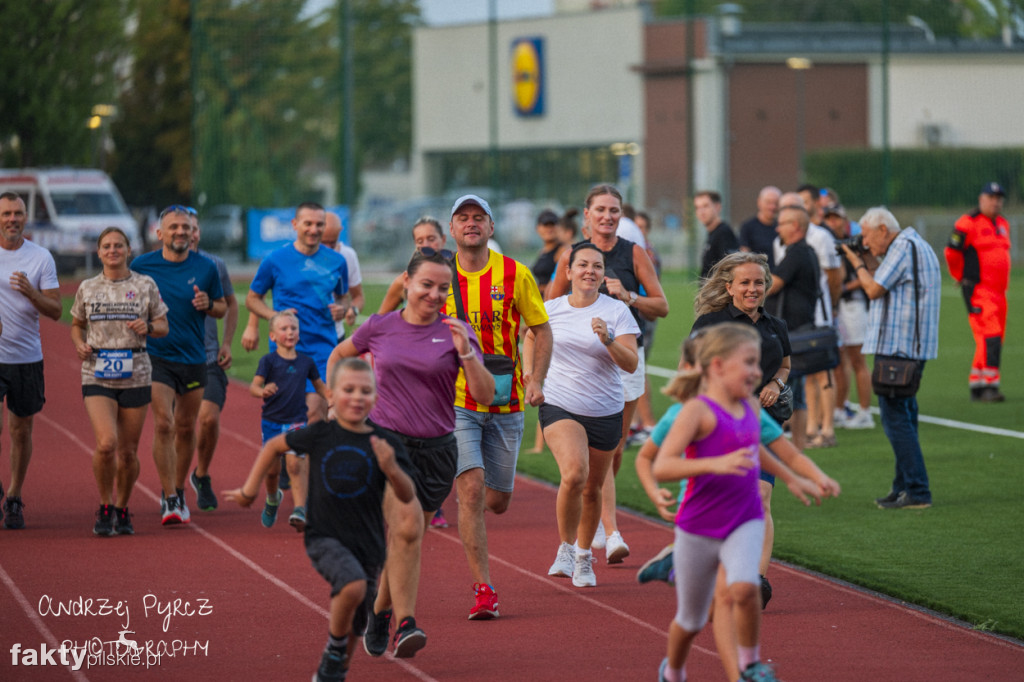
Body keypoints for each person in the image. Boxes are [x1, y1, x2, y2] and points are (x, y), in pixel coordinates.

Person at [637, 329, 838, 682]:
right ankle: (673, 670)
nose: (756, 372)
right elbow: (662, 466)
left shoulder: (750, 408)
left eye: (756, 364)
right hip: (698, 525)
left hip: (744, 519)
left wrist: (803, 476)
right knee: (691, 620)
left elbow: (775, 451)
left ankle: (750, 665)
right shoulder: (695, 412)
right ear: (717, 366)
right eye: (747, 363)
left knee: (745, 588)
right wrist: (713, 464)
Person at [327, 248, 494, 657]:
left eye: (443, 288)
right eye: (426, 285)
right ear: (406, 281)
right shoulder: (380, 327)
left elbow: (485, 394)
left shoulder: (457, 330)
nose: (434, 294)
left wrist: (467, 354)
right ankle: (406, 624)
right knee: (405, 530)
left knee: (407, 536)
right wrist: (336, 402)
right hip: (387, 443)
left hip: (438, 450)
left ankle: (380, 612)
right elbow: (339, 355)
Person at [224, 358, 417, 682]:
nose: (356, 397)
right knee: (352, 585)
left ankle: (335, 669)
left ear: (376, 398)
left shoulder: (385, 443)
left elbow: (408, 494)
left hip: (369, 542)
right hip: (325, 535)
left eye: (365, 391)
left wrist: (392, 469)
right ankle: (333, 648)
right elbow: (274, 445)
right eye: (348, 390)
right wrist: (249, 490)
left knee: (359, 620)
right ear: (332, 396)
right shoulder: (321, 434)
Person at [547, 183, 668, 564]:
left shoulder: (632, 252)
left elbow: (661, 306)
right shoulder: (571, 255)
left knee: (614, 447)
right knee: (589, 456)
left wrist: (627, 297)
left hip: (625, 355)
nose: (607, 216)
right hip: (575, 365)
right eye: (600, 209)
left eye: (614, 210)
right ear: (586, 215)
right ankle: (608, 528)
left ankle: (596, 507)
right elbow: (547, 307)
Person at [445, 193, 552, 618]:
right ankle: (483, 588)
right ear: (452, 229)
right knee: (470, 491)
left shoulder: (515, 274)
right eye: (462, 218)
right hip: (455, 401)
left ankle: (481, 498)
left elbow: (541, 329)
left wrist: (537, 380)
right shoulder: (438, 275)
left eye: (479, 217)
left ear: (491, 228)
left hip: (506, 402)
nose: (471, 224)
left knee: (497, 501)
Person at [529, 243, 638, 588]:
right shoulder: (550, 309)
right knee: (575, 473)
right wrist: (533, 377)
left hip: (606, 410)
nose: (589, 271)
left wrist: (608, 340)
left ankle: (583, 556)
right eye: (582, 265)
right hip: (560, 403)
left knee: (592, 490)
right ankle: (565, 547)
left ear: (604, 275)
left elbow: (631, 363)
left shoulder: (616, 311)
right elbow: (531, 337)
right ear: (569, 271)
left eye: (597, 266)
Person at [692, 252, 792, 599]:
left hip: (763, 426)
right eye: (745, 282)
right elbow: (689, 371)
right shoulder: (710, 323)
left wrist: (774, 385)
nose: (753, 289)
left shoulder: (775, 326)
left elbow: (785, 365)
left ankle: (755, 580)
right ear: (730, 286)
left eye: (758, 282)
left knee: (761, 497)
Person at [130, 205, 227, 525]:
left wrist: (208, 304)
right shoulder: (142, 265)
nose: (180, 232)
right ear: (160, 233)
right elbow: (127, 297)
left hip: (194, 358)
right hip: (156, 356)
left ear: (192, 231)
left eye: (185, 227)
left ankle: (178, 488)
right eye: (173, 227)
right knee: (164, 424)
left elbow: (222, 306)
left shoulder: (207, 267)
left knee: (186, 427)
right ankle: (169, 495)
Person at [71, 227, 169, 535]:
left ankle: (123, 507)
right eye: (107, 246)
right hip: (97, 369)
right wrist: (78, 343)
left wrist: (149, 325)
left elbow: (163, 326)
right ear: (98, 252)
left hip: (136, 370)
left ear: (128, 250)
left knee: (128, 452)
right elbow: (76, 325)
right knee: (107, 444)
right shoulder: (87, 287)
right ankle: (104, 504)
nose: (113, 250)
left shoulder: (144, 285)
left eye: (119, 246)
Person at [842, 207, 940, 510]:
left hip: (900, 348)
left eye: (868, 236)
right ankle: (902, 487)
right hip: (907, 347)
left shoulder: (903, 247)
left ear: (883, 229)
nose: (867, 243)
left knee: (895, 419)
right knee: (904, 417)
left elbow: (872, 289)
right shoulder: (911, 245)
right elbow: (881, 279)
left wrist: (856, 262)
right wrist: (867, 259)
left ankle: (918, 491)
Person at [242, 202, 349, 424]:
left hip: (323, 350)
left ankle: (307, 455)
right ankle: (289, 456)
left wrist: (342, 309)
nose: (313, 229)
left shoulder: (337, 262)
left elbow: (343, 298)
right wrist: (273, 317)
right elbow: (252, 298)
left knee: (316, 413)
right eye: (307, 223)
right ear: (295, 224)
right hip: (286, 352)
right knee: (289, 421)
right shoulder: (274, 260)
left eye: (319, 224)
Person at [0, 193, 64, 529]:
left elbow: (56, 311)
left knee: (21, 430)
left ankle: (14, 496)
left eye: (18, 213)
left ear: (26, 218)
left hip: (26, 357)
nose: (12, 219)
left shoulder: (40, 258)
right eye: (6, 213)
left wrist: (31, 293)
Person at [249, 312, 330, 530]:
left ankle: (300, 509)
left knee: (295, 464)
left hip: (297, 421)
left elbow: (320, 386)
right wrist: (262, 390)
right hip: (273, 422)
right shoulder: (268, 362)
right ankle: (273, 499)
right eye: (284, 329)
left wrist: (332, 400)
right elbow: (254, 386)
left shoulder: (306, 362)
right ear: (273, 336)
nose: (290, 332)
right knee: (273, 471)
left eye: (293, 328)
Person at [782, 189, 843, 449]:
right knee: (803, 373)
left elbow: (834, 274)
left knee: (822, 372)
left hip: (818, 313)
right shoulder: (785, 242)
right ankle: (809, 427)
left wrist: (832, 304)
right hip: (795, 318)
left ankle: (827, 427)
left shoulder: (820, 237)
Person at [189, 214, 239, 511]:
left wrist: (228, 342)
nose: (188, 234)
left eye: (192, 229)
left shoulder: (214, 265)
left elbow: (231, 304)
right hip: (168, 359)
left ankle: (201, 474)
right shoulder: (150, 267)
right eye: (180, 228)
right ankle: (172, 488)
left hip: (207, 358)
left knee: (207, 418)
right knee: (172, 426)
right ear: (162, 232)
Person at [945, 182, 1011, 402]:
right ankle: (990, 386)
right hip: (979, 289)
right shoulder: (967, 223)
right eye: (991, 197)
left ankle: (977, 383)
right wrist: (959, 276)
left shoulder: (1002, 223)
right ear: (981, 199)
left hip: (999, 292)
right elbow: (951, 252)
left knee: (991, 337)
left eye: (999, 198)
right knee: (990, 335)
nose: (996, 202)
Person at [765, 202, 818, 453]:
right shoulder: (806, 251)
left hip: (793, 332)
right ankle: (797, 449)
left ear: (796, 227)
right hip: (799, 328)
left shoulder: (797, 252)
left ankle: (790, 451)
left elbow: (774, 284)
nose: (778, 228)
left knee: (788, 392)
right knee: (797, 394)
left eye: (783, 223)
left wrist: (746, 290)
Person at [822, 203, 873, 429]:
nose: (832, 223)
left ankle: (864, 411)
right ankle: (840, 408)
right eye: (829, 219)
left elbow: (868, 273)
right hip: (836, 307)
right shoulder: (827, 244)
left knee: (857, 359)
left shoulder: (855, 244)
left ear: (844, 221)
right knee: (839, 362)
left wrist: (844, 286)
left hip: (852, 305)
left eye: (836, 219)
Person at [378, 217, 446, 314]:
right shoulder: (404, 281)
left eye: (431, 239)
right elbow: (378, 321)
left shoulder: (455, 275)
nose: (426, 245)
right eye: (420, 241)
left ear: (443, 239)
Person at [322, 211, 365, 343]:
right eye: (324, 242)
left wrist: (353, 310)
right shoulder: (302, 256)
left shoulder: (347, 256)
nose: (328, 248)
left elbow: (358, 297)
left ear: (340, 232)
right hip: (304, 335)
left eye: (332, 243)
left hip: (335, 334)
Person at [696, 190, 739, 279]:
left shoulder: (723, 233)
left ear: (717, 207)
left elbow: (730, 268)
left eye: (705, 206)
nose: (701, 211)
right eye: (697, 207)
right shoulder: (712, 233)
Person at [738, 186, 781, 267]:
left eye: (776, 203)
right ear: (759, 202)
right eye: (768, 202)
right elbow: (744, 256)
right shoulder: (747, 227)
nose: (772, 207)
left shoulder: (782, 228)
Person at [530, 208, 562, 297]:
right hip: (540, 300)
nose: (549, 229)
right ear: (537, 228)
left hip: (553, 301)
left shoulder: (562, 251)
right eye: (545, 225)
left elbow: (562, 283)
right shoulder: (542, 251)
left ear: (559, 227)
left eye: (552, 225)